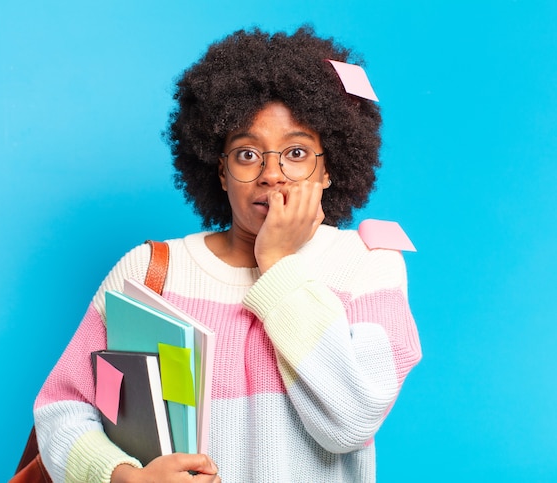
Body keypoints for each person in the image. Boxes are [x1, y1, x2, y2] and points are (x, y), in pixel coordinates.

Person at [33, 26, 422, 482]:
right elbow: (63, 407)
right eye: (246, 153)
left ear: (329, 168)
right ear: (220, 172)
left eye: (296, 152)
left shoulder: (366, 266)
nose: (272, 174)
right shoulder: (148, 273)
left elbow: (351, 422)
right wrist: (125, 478)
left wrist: (277, 264)